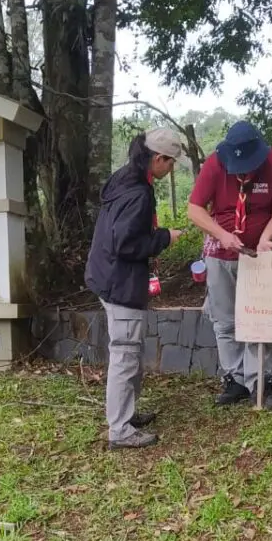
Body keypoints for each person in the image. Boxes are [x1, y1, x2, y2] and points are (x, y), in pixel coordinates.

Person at [85, 129, 183, 449]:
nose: (171, 169)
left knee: (130, 352)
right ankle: (120, 430)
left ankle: (126, 414)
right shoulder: (139, 193)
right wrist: (164, 238)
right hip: (121, 283)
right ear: (158, 158)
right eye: (170, 163)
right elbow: (126, 243)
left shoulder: (123, 179)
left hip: (108, 276)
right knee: (125, 354)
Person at [188, 121, 272, 409]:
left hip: (257, 255)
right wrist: (222, 235)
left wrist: (265, 239)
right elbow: (194, 209)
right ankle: (234, 380)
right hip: (220, 255)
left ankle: (260, 381)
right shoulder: (214, 164)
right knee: (225, 321)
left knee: (258, 318)